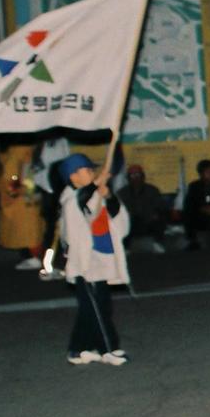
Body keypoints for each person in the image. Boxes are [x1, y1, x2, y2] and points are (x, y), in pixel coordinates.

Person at [59, 153, 130, 366]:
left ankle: (77, 350)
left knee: (95, 308)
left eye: (92, 170)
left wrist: (108, 196)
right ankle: (107, 349)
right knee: (97, 309)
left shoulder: (93, 194)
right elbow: (79, 207)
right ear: (73, 177)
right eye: (87, 170)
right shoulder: (69, 199)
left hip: (102, 258)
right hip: (85, 264)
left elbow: (120, 221)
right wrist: (96, 186)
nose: (92, 173)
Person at [117, 165, 168, 252]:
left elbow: (159, 206)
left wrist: (154, 214)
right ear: (128, 178)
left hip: (148, 220)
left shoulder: (152, 190)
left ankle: (157, 243)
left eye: (138, 175)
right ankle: (125, 248)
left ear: (143, 176)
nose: (135, 178)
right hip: (130, 221)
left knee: (160, 217)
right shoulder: (122, 193)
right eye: (132, 176)